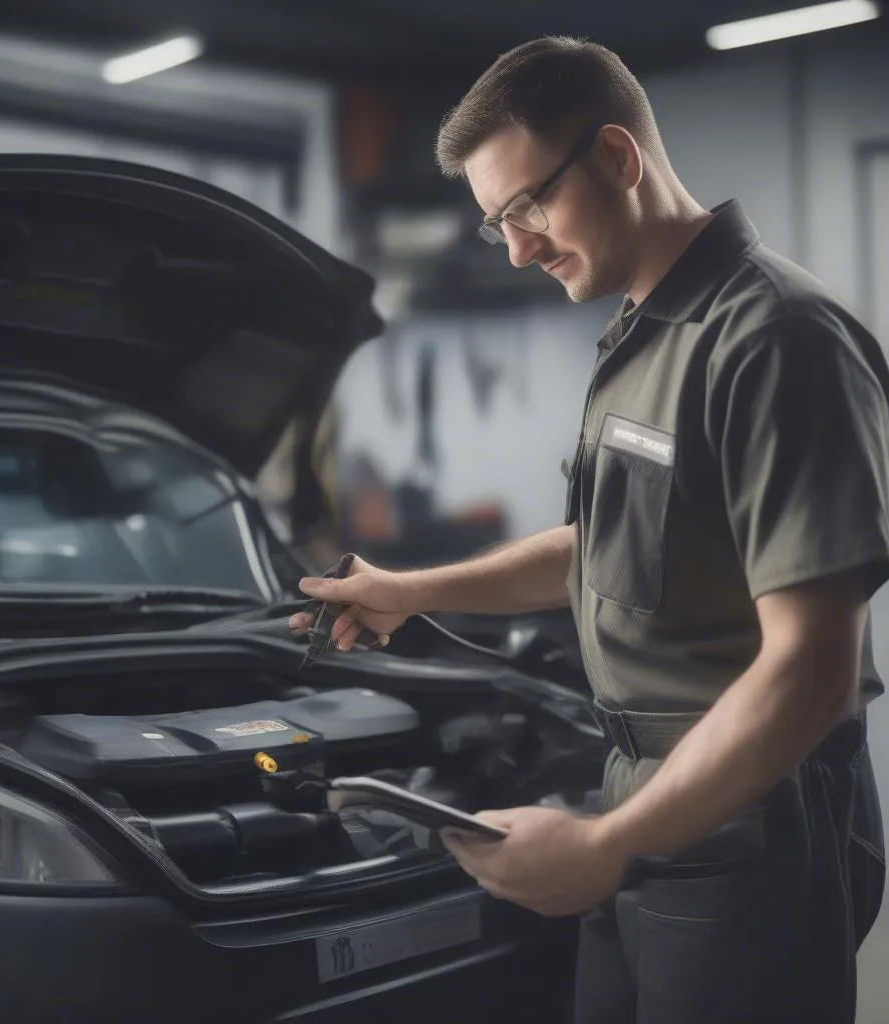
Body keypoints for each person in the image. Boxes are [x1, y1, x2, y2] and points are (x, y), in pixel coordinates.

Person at [289, 35, 889, 1024]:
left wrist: (607, 844)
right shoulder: (638, 331)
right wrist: (411, 590)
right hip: (646, 800)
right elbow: (605, 544)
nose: (517, 244)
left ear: (617, 156)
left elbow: (810, 670)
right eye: (498, 223)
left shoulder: (775, 339)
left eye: (529, 204)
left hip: (745, 826)